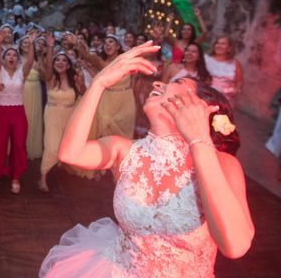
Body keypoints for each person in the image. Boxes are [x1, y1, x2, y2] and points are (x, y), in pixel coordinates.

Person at [39, 42, 254, 277]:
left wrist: (199, 140)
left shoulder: (222, 164)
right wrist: (99, 82)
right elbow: (70, 153)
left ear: (202, 106)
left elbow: (235, 245)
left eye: (178, 83)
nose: (159, 83)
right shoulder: (124, 150)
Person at [0, 30, 35, 194]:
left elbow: (30, 61)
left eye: (14, 55)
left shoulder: (22, 72)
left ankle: (15, 177)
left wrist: (31, 42)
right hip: (2, 112)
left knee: (19, 145)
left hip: (18, 112)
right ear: (4, 58)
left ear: (17, 59)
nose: (11, 57)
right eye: (8, 55)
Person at [38, 35, 84, 193]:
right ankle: (43, 177)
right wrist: (51, 47)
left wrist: (81, 84)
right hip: (52, 114)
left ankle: (64, 164)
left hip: (69, 115)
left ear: (68, 65)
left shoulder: (74, 80)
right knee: (51, 146)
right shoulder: (50, 80)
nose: (60, 63)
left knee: (66, 143)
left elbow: (83, 94)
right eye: (57, 60)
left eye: (64, 60)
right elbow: (48, 69)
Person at [23, 35, 46, 161]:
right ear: (21, 45)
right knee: (24, 118)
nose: (27, 45)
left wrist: (41, 61)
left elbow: (44, 77)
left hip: (36, 89)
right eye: (25, 43)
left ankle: (32, 147)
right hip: (23, 90)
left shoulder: (38, 61)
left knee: (34, 117)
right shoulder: (17, 59)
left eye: (29, 43)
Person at [205, 35, 243, 108]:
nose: (219, 45)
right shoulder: (206, 59)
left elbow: (239, 81)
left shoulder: (235, 64)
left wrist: (236, 90)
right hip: (206, 97)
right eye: (217, 43)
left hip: (225, 100)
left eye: (223, 44)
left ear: (229, 48)